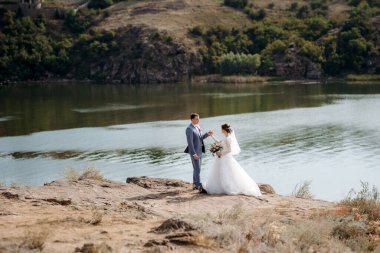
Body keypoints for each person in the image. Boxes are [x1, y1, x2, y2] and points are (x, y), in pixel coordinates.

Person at [204, 123, 262, 196]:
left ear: (224, 130)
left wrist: (220, 153)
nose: (221, 130)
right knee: (220, 172)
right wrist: (212, 135)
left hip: (225, 157)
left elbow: (229, 150)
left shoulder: (228, 138)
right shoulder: (226, 137)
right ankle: (220, 187)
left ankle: (229, 187)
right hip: (221, 157)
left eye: (221, 129)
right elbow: (219, 142)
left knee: (227, 172)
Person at [185, 113, 213, 193]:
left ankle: (194, 184)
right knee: (197, 169)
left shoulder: (197, 127)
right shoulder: (189, 129)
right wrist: (194, 154)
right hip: (195, 153)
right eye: (197, 119)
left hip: (200, 151)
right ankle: (199, 186)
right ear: (192, 119)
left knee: (197, 169)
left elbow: (200, 138)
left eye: (198, 118)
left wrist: (207, 134)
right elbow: (190, 143)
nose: (198, 120)